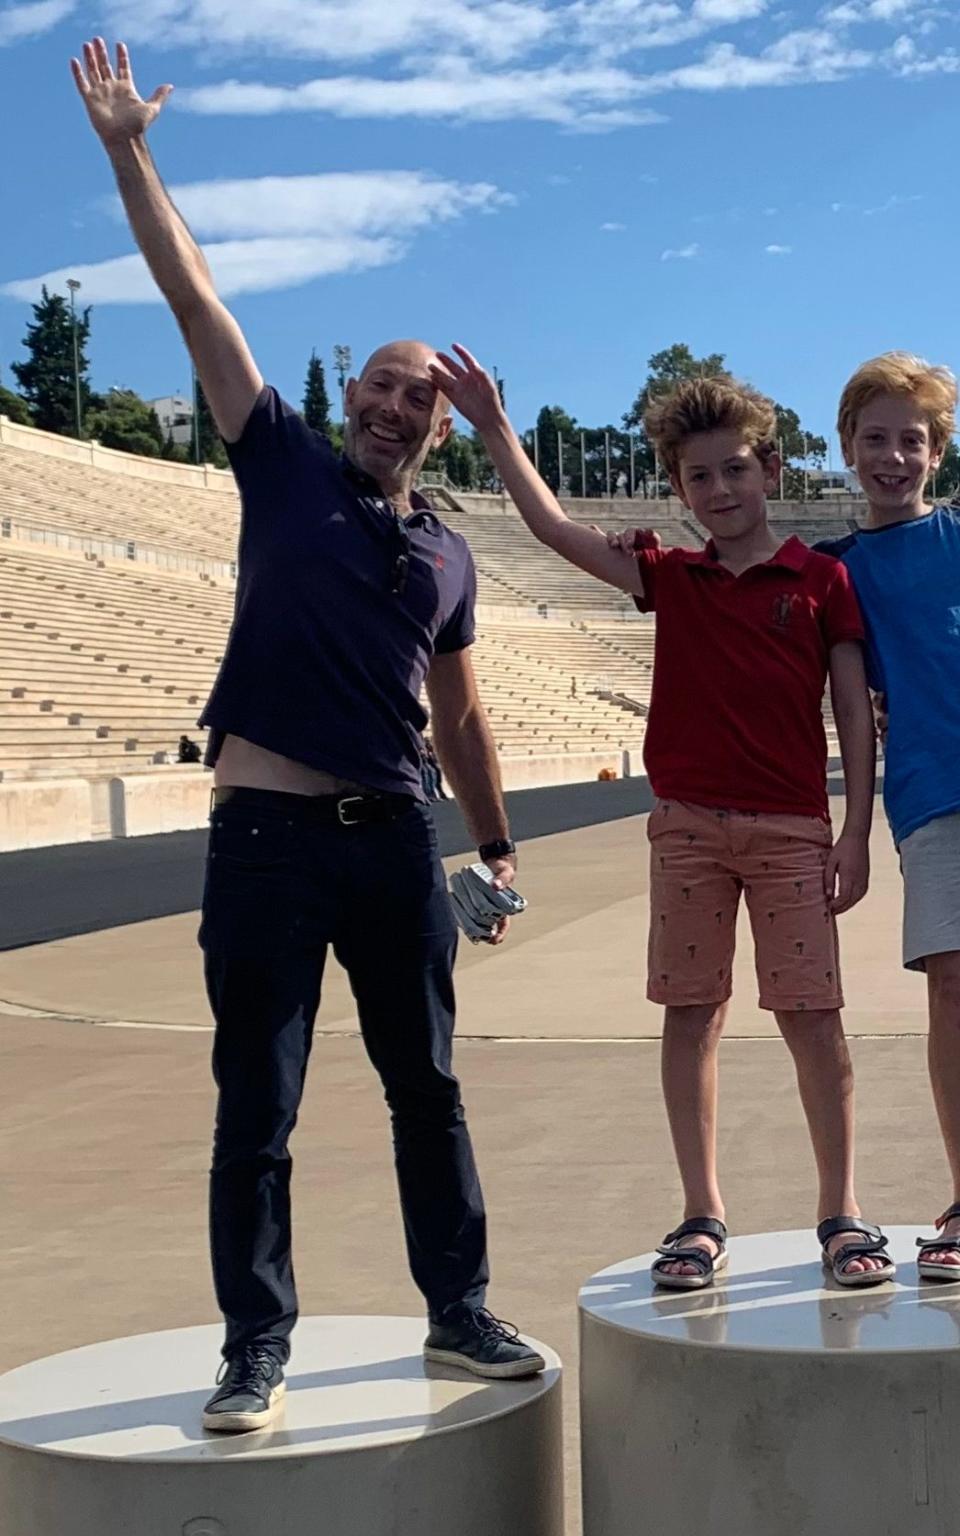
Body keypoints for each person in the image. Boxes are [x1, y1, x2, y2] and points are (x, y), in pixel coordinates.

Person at [72, 39, 544, 1433]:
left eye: (428, 398)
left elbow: (459, 714)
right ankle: (253, 1348)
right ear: (356, 398)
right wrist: (126, 149)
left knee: (429, 1090)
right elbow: (194, 292)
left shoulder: (452, 558)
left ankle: (457, 1311)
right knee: (256, 1107)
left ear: (445, 430)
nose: (403, 404)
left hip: (394, 842)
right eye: (389, 383)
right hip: (268, 836)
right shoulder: (276, 459)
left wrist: (500, 843)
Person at [431, 344, 893, 1289]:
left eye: (735, 468)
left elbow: (850, 712)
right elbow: (554, 526)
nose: (720, 488)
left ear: (770, 468)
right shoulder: (669, 577)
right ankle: (701, 1212)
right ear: (677, 488)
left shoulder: (820, 581)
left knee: (815, 1018)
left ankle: (841, 1210)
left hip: (793, 827)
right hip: (686, 826)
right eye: (698, 475)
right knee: (693, 1013)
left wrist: (853, 831)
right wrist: (496, 430)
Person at [813, 353, 960, 1279]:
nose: (894, 456)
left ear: (938, 452)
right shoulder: (836, 571)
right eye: (877, 438)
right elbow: (850, 712)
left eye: (913, 439)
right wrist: (855, 829)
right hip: (930, 795)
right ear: (848, 448)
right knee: (951, 988)